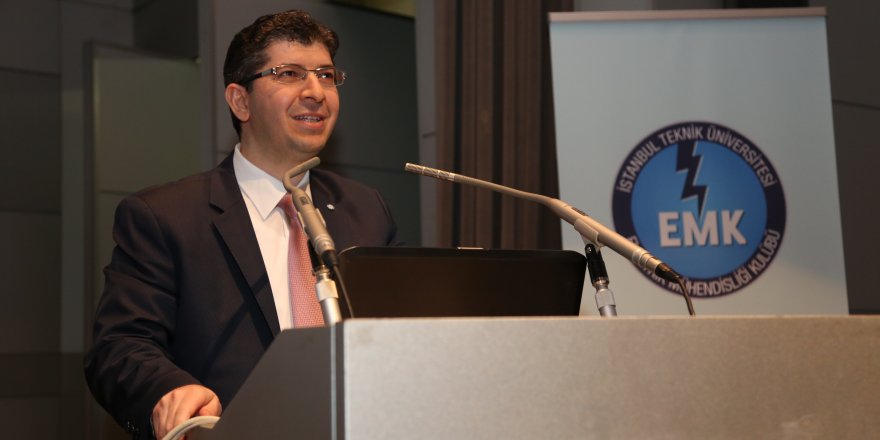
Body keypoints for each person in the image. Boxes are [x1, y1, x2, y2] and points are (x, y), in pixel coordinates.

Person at [84, 10, 401, 439]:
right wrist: (167, 390)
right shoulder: (165, 216)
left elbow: (398, 337)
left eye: (326, 76)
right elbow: (119, 347)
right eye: (290, 74)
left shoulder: (366, 209)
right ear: (240, 101)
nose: (315, 92)